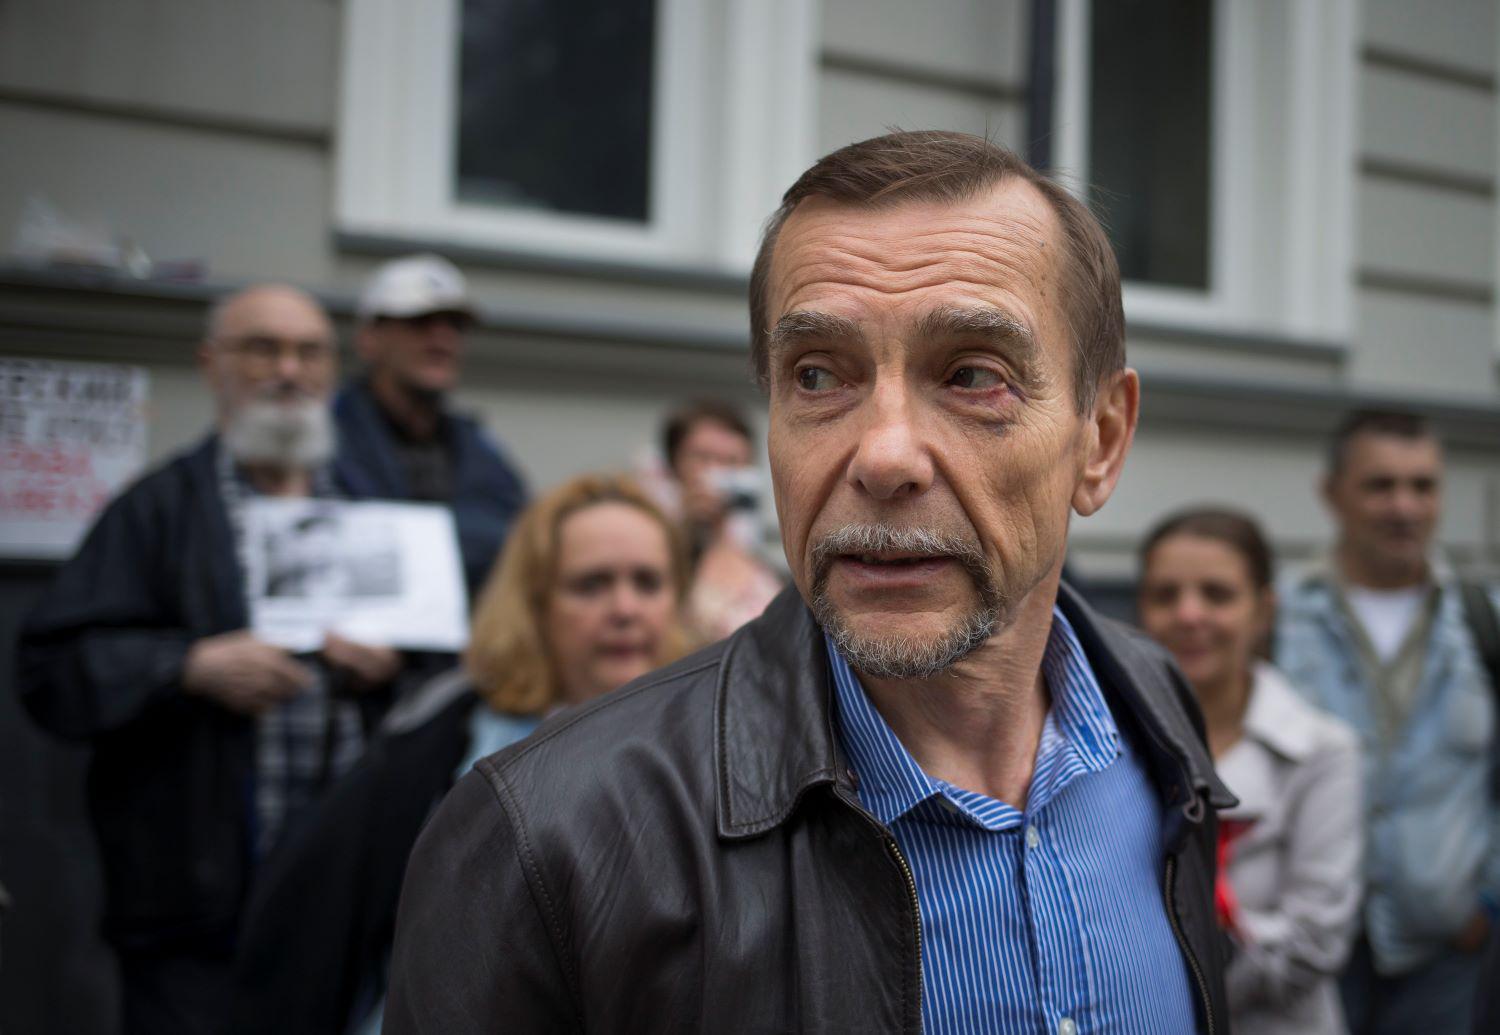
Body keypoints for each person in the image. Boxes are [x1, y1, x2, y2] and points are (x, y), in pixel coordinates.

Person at [385, 130, 1236, 1033]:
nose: (884, 455)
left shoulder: (1155, 715)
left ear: (1099, 440)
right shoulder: (546, 842)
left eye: (972, 374)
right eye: (818, 375)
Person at [17, 285, 404, 1035]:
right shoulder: (157, 510)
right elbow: (51, 670)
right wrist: (185, 666)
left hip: (343, 909)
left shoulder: (375, 512)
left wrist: (388, 671)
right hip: (195, 919)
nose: (288, 369)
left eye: (309, 351)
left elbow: (448, 677)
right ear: (210, 364)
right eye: (262, 347)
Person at [228, 473, 690, 1034]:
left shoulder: (715, 741)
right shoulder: (444, 739)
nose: (625, 608)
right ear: (535, 603)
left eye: (647, 582)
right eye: (591, 585)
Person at [1277, 409, 1500, 1033]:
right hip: (1313, 953)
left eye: (1422, 486)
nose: (1404, 506)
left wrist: (1487, 899)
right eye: (1380, 485)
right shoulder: (1280, 620)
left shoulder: (1485, 621)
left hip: (1446, 952)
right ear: (1333, 494)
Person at [1139, 507, 1363, 1034]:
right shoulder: (1109, 741)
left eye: (1217, 594)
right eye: (1165, 595)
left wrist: (1160, 977)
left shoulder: (1321, 751)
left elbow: (1314, 944)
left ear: (1263, 611)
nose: (1189, 614)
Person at [335, 253, 527, 597]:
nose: (441, 338)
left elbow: (523, 539)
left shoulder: (478, 446)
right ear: (369, 338)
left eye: (455, 325)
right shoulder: (325, 439)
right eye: (419, 322)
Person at [659, 398, 782, 639]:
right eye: (704, 458)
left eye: (732, 461)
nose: (719, 472)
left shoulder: (764, 564)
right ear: (673, 465)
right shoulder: (657, 550)